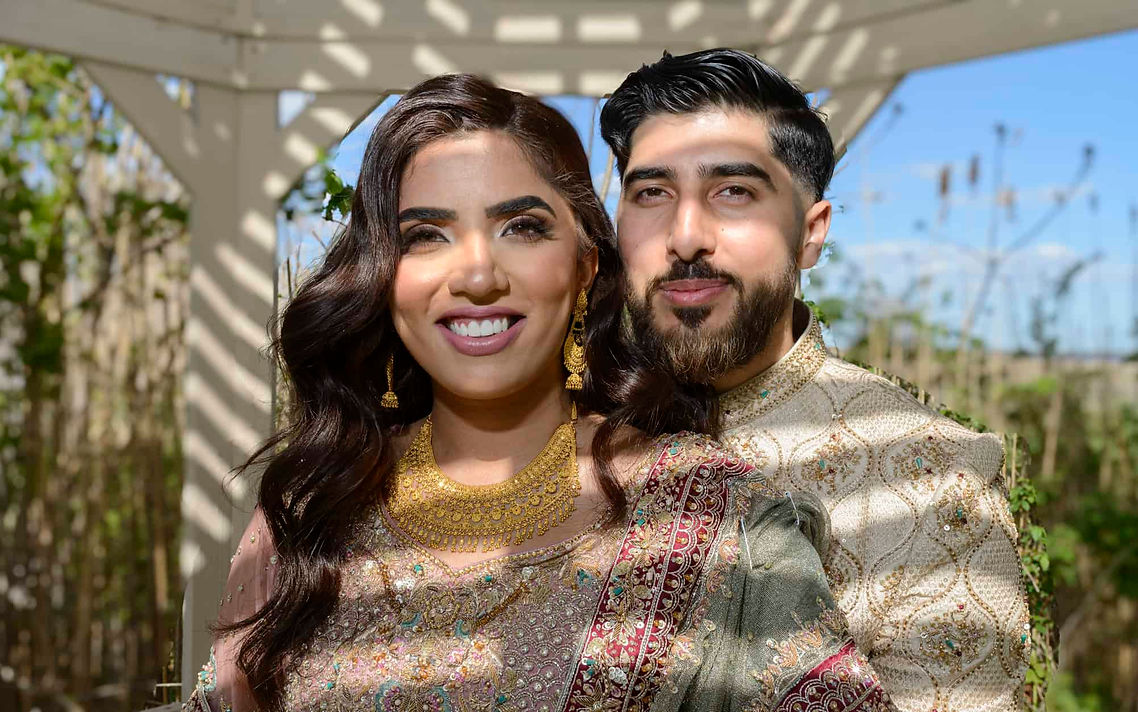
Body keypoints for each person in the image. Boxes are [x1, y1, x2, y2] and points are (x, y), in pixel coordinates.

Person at [183, 74, 895, 712]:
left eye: (521, 227)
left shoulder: (708, 514)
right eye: (426, 236)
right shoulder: (315, 508)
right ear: (384, 275)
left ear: (585, 263)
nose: (478, 275)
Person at [596, 48, 1031, 712]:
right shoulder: (558, 433)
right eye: (651, 193)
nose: (685, 236)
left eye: (733, 192)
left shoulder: (936, 484)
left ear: (810, 233)